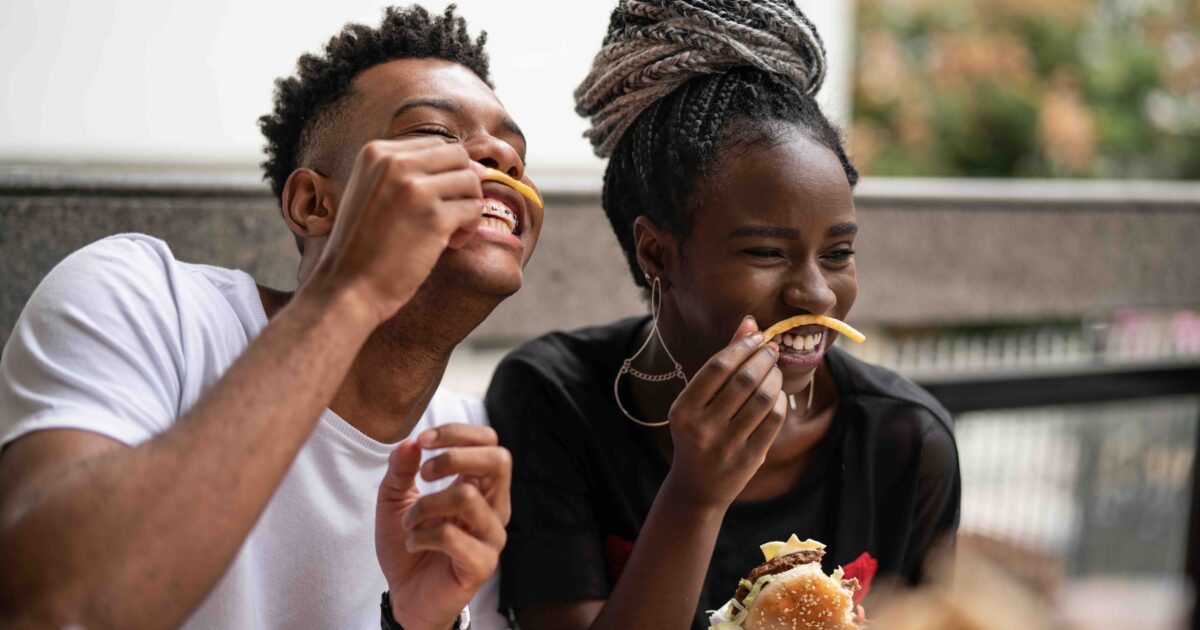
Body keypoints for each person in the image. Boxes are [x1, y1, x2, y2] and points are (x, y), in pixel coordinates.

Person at [0, 6, 541, 629]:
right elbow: (55, 607)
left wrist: (420, 626)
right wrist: (352, 289)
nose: (500, 157)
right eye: (436, 136)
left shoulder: (466, 449)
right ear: (314, 204)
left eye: (515, 155)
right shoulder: (142, 300)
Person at [485, 1, 961, 628]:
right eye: (767, 252)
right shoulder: (554, 400)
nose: (817, 294)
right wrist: (695, 496)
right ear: (657, 251)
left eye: (839, 252)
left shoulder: (905, 441)